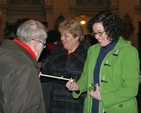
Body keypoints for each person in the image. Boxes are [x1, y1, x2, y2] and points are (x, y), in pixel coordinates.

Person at [66, 11, 140, 113]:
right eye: (94, 33)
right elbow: (86, 77)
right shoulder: (93, 50)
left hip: (118, 108)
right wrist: (78, 86)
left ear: (112, 29)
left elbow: (131, 88)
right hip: (92, 107)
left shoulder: (128, 51)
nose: (96, 37)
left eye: (100, 32)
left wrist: (104, 97)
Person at [41, 18, 89, 113]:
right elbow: (47, 71)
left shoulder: (88, 53)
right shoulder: (57, 51)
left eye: (65, 35)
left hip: (77, 102)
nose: (62, 38)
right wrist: (41, 73)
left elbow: (90, 78)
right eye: (61, 35)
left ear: (77, 36)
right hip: (56, 102)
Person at [0, 19, 47, 113]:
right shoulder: (25, 68)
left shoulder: (3, 52)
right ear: (37, 44)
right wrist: (30, 76)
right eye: (44, 45)